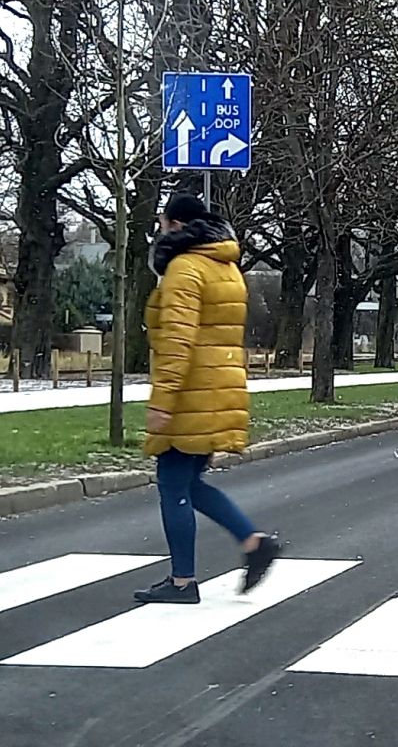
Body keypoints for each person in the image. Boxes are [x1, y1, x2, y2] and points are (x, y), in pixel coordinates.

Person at [135, 194, 281, 605]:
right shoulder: (226, 267)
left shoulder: (185, 269)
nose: (159, 232)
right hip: (218, 386)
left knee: (173, 485)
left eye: (162, 224)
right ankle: (253, 543)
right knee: (189, 483)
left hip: (190, 392)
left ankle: (183, 581)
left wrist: (163, 400)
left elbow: (179, 341)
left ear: (177, 226)